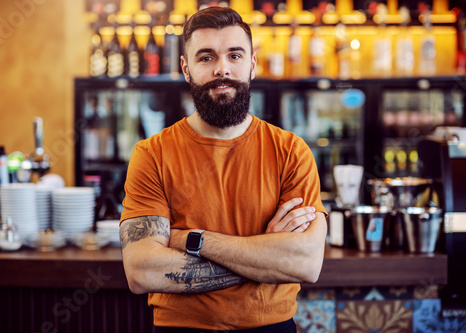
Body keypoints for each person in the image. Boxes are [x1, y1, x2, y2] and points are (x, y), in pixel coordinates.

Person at [119, 6, 327, 333]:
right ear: (186, 69)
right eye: (206, 58)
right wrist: (264, 257)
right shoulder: (152, 154)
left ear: (252, 64)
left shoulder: (290, 151)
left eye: (234, 55)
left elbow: (306, 263)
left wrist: (193, 241)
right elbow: (141, 271)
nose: (222, 69)